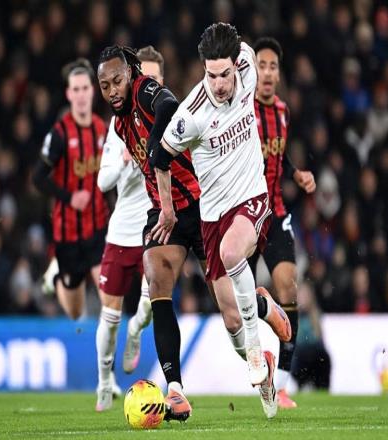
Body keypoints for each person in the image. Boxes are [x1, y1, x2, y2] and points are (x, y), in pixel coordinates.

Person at [97, 41, 289, 421]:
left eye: (117, 81)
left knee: (232, 318)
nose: (113, 90)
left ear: (130, 74)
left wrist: (157, 148)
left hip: (203, 207)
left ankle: (262, 307)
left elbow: (168, 105)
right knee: (156, 279)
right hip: (164, 212)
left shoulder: (145, 90)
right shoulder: (119, 125)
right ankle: (175, 390)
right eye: (106, 86)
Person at [156, 23, 291, 419]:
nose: (218, 84)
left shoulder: (248, 63)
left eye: (224, 74)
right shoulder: (191, 115)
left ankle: (256, 350)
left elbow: (246, 47)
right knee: (231, 320)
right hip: (212, 215)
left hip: (252, 196)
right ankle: (262, 318)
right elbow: (160, 158)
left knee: (233, 253)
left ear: (236, 65)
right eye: (211, 75)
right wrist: (167, 209)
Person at [95, 48, 165, 411]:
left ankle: (136, 330)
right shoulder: (118, 124)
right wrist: (126, 159)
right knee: (109, 317)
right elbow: (102, 181)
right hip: (122, 230)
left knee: (150, 304)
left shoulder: (169, 116)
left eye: (153, 79)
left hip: (155, 225)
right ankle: (104, 381)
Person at [252, 37, 316, 408]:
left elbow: (279, 155)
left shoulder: (282, 111)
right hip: (244, 215)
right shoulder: (241, 112)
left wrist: (295, 173)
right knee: (233, 305)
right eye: (261, 65)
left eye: (273, 66)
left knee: (289, 288)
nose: (267, 72)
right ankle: (262, 326)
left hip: (275, 213)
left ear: (279, 74)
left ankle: (284, 385)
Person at [33, 58, 108, 321]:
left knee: (109, 296)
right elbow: (38, 178)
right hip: (68, 233)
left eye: (85, 88)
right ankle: (56, 278)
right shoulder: (59, 134)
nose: (81, 94)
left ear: (92, 91)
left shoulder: (102, 129)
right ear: (68, 94)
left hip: (98, 227)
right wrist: (69, 197)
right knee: (75, 312)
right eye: (75, 89)